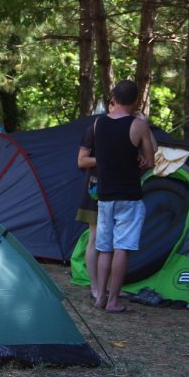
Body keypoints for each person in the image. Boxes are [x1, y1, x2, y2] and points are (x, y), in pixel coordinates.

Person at [93, 80, 155, 313]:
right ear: (136, 101)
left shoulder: (99, 123)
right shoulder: (138, 125)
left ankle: (100, 297)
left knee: (105, 247)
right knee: (122, 247)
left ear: (114, 98)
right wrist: (141, 158)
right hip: (129, 194)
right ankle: (113, 301)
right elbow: (150, 160)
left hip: (104, 194)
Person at [76, 121, 99, 299]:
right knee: (96, 237)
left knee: (117, 243)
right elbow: (82, 161)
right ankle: (95, 286)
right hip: (96, 189)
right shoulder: (95, 128)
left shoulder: (133, 126)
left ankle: (111, 286)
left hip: (122, 192)